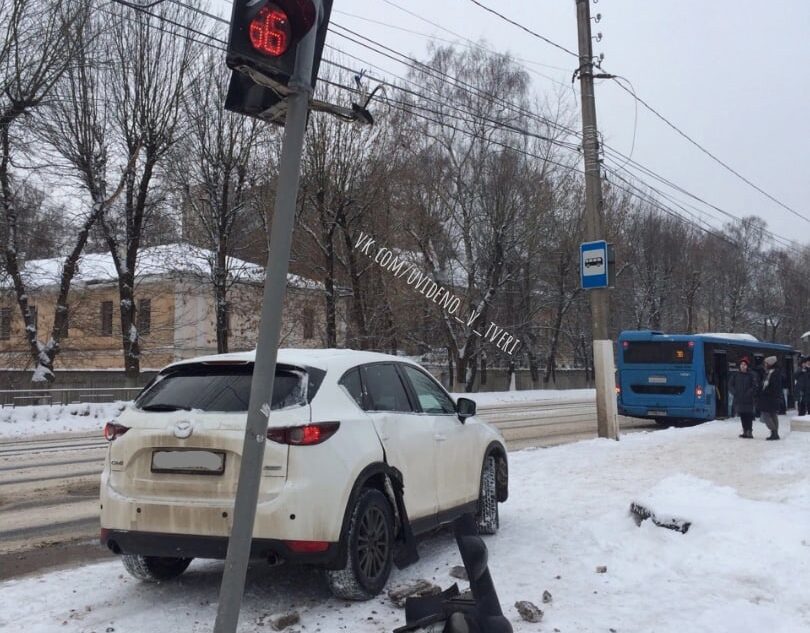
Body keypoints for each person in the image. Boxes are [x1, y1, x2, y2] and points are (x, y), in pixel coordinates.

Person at [728, 356, 757, 438]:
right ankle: (744, 430)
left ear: (747, 366)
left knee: (749, 415)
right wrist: (734, 392)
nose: (743, 366)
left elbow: (754, 386)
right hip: (739, 399)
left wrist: (749, 392)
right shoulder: (736, 375)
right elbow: (730, 385)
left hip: (748, 399)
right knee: (742, 415)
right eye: (741, 364)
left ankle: (749, 431)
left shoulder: (751, 375)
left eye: (744, 364)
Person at [758, 356, 782, 440]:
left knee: (766, 415)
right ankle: (775, 433)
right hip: (771, 398)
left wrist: (765, 392)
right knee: (773, 414)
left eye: (766, 363)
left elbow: (773, 386)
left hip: (769, 398)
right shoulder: (770, 372)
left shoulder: (773, 373)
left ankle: (774, 431)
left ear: (770, 364)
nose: (765, 365)